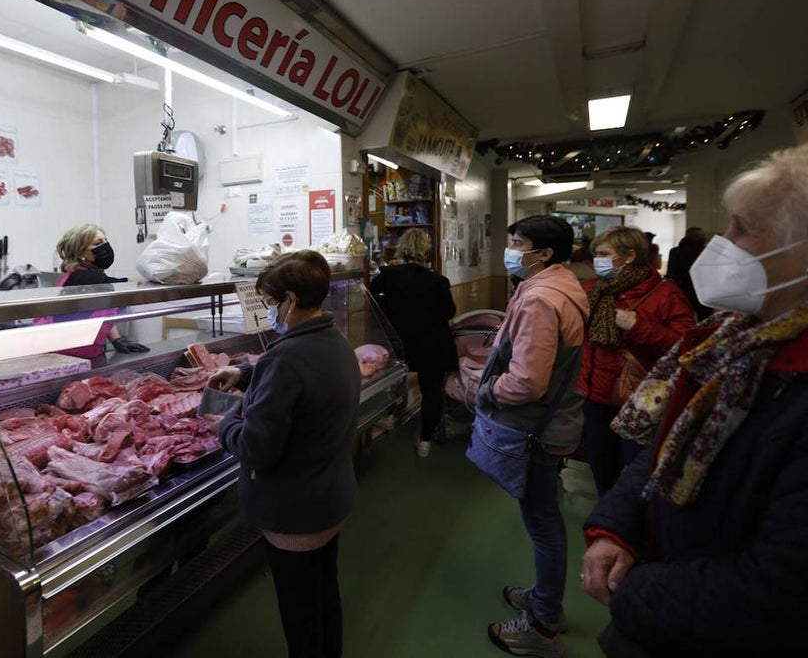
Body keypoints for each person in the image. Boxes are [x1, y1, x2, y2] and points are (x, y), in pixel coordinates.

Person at [581, 141, 808, 656]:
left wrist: (637, 590)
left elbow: (791, 590)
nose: (723, 242)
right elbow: (672, 439)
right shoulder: (737, 333)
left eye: (743, 228)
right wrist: (617, 527)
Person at [208, 250, 361, 658]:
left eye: (270, 302)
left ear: (290, 300)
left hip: (295, 512)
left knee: (300, 613)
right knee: (323, 594)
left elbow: (257, 449)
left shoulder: (285, 357)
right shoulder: (335, 340)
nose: (269, 311)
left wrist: (222, 424)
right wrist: (245, 374)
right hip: (329, 497)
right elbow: (304, 378)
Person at [475, 215, 589, 658]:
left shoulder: (541, 299)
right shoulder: (558, 286)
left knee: (542, 522)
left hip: (538, 428)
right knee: (545, 518)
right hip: (552, 422)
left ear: (543, 254)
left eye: (517, 243)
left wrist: (484, 391)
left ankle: (542, 625)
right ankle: (546, 599)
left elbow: (526, 382)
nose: (510, 250)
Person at [577, 227, 696, 496]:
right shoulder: (593, 289)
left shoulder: (666, 294)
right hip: (596, 395)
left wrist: (637, 325)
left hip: (640, 398)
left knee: (637, 472)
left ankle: (634, 530)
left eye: (604, 254)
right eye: (596, 253)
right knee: (601, 466)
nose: (598, 259)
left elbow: (686, 345)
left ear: (629, 255)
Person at [370, 228, 457, 457]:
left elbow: (375, 307)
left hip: (399, 343)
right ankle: (425, 441)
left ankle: (388, 416)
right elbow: (449, 312)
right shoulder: (438, 281)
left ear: (402, 248)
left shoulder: (385, 277)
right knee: (431, 391)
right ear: (426, 250)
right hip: (432, 344)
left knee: (391, 378)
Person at [44, 223, 149, 356]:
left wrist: (116, 339)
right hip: (73, 355)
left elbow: (102, 311)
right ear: (80, 252)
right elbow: (123, 286)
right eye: (97, 243)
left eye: (106, 241)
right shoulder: (83, 278)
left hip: (87, 350)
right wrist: (155, 276)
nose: (105, 246)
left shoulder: (85, 274)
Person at [665, 227, 711, 320]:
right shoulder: (705, 251)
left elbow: (670, 273)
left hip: (683, 289)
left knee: (683, 317)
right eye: (701, 236)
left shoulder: (675, 251)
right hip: (698, 290)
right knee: (703, 318)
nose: (704, 238)